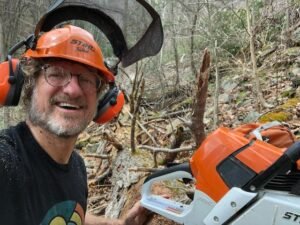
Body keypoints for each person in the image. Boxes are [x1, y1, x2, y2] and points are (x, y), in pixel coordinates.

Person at [0, 25, 150, 225]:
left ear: (101, 100)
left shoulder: (77, 167)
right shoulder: (7, 162)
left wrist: (121, 224)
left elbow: (70, 214)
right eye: (56, 74)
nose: (72, 90)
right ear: (28, 85)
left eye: (86, 79)